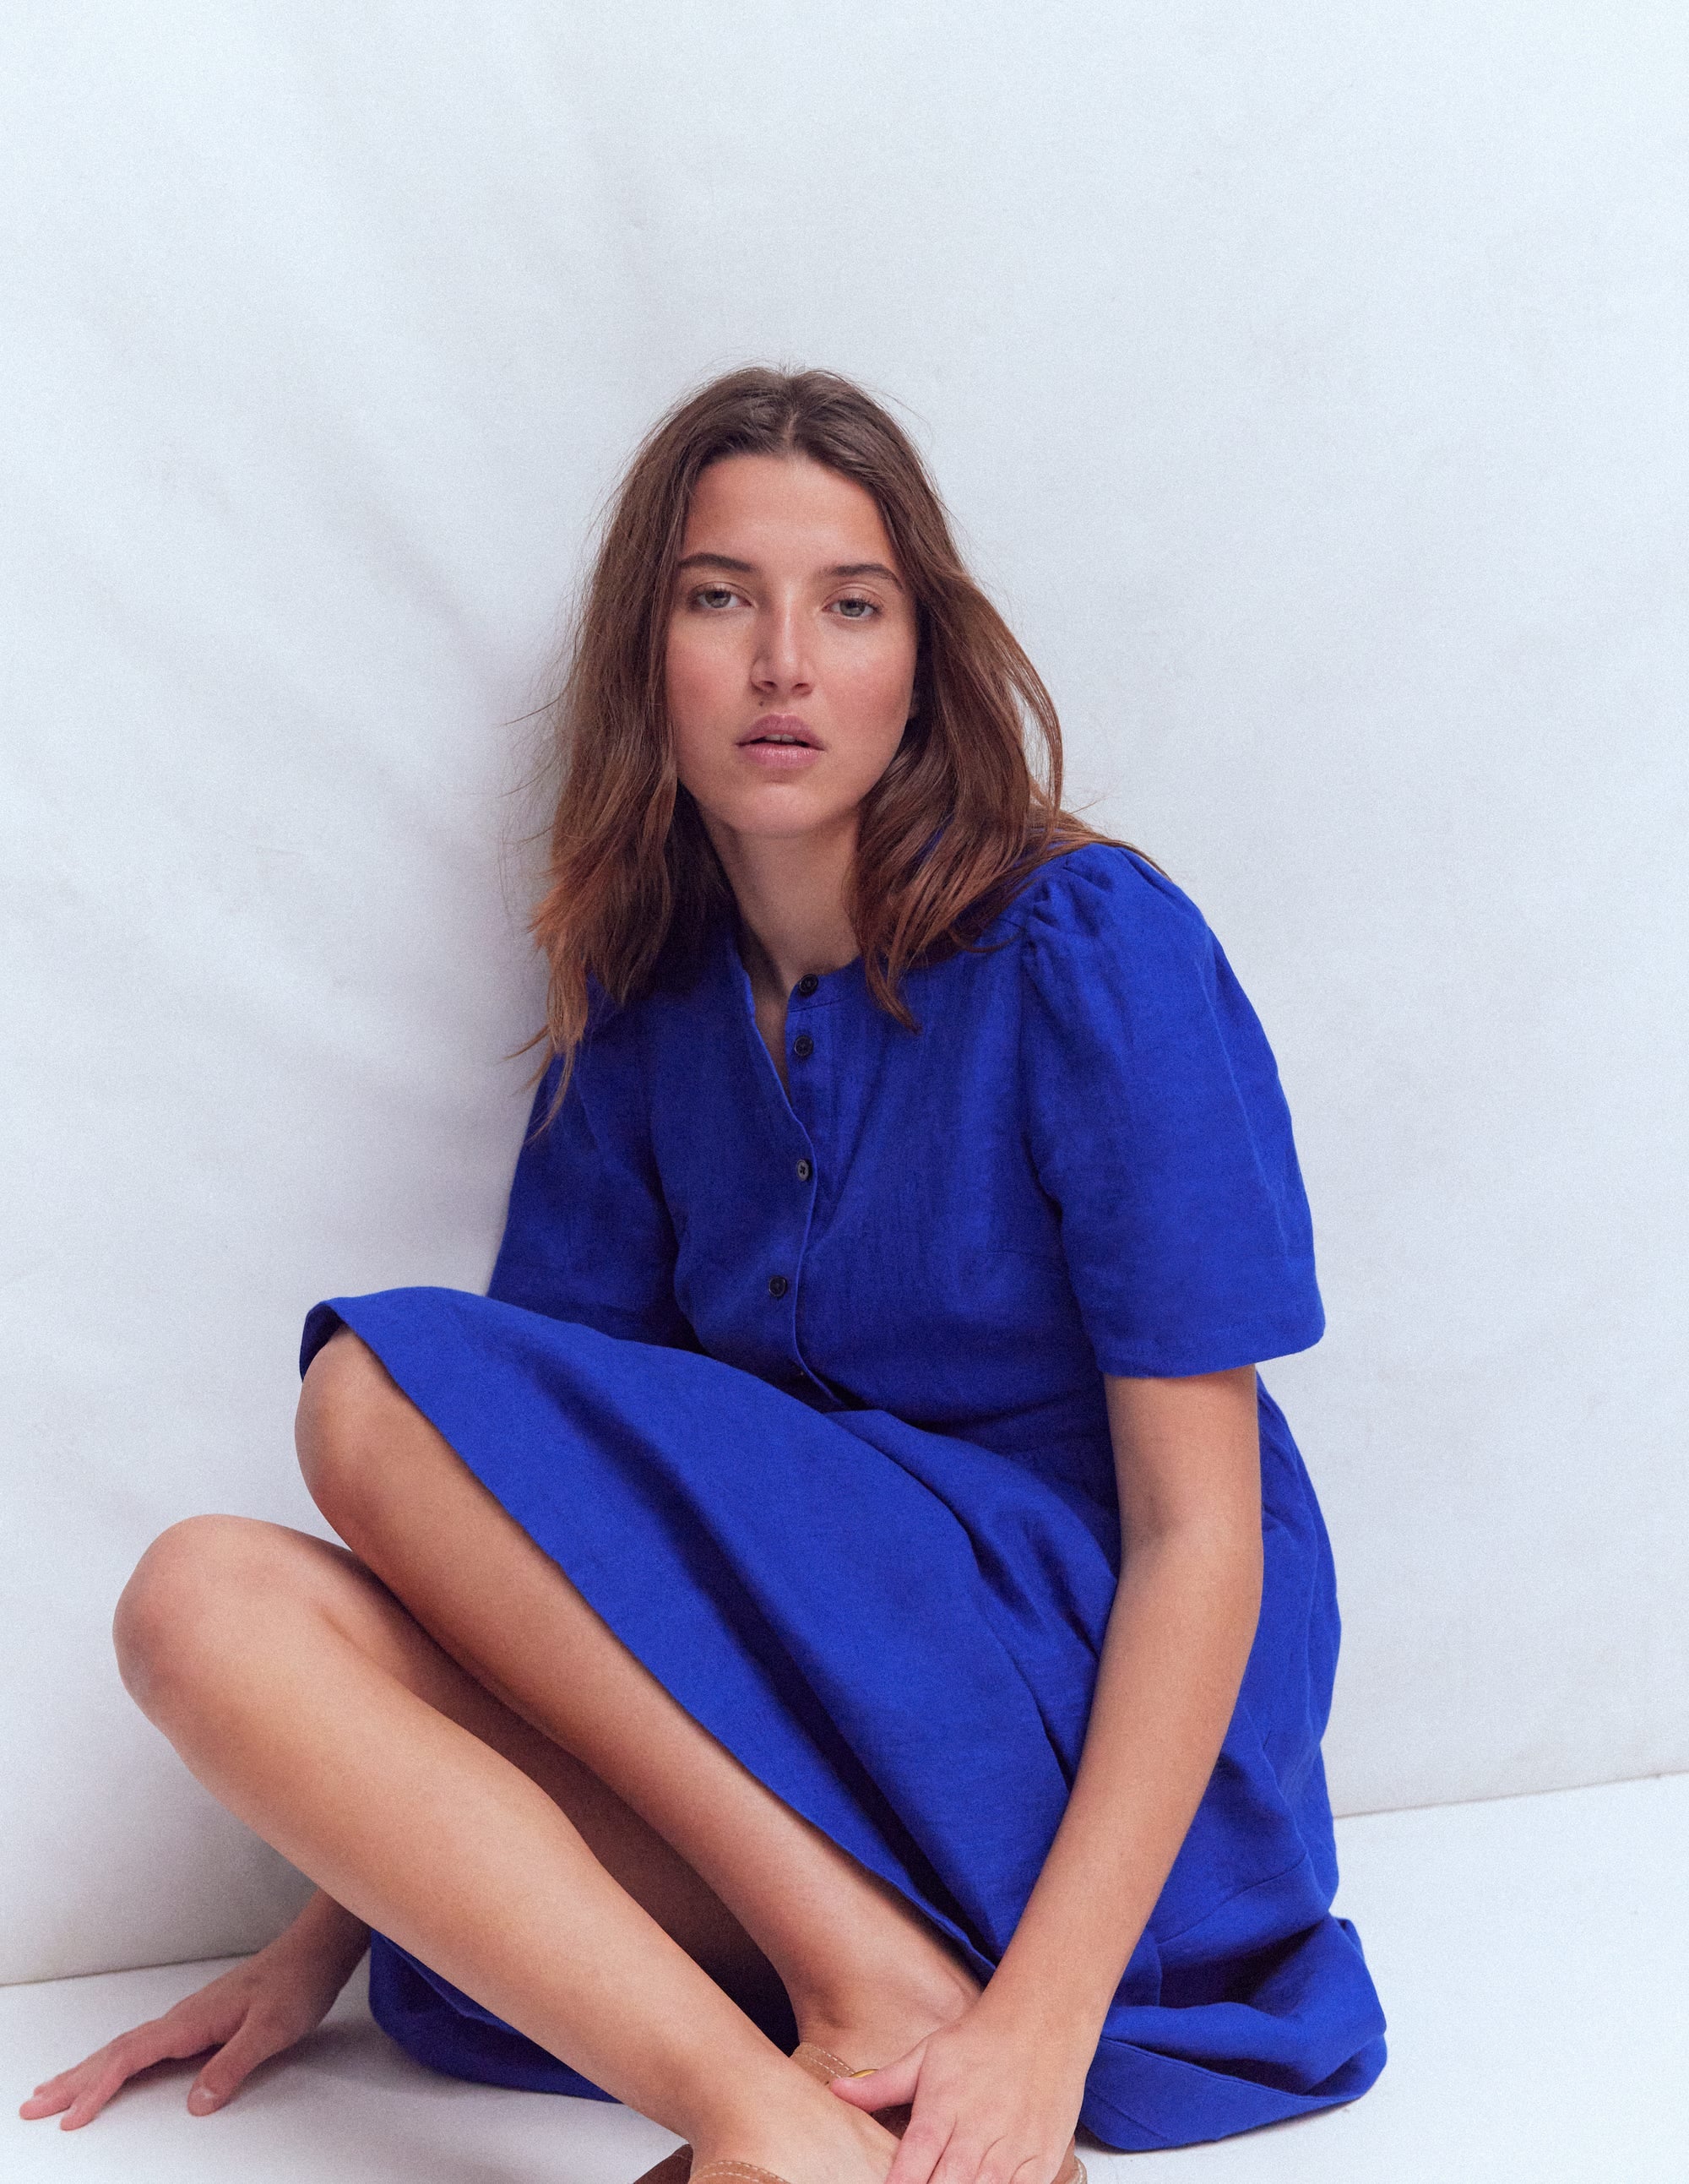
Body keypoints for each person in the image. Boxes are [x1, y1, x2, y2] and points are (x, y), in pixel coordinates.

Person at [20, 367, 1386, 2178]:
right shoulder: (649, 1010)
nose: (782, 665)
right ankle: (781, 2105)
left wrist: (1049, 2021)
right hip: (822, 1743)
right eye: (718, 597)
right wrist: (335, 1918)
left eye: (851, 604)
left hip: (1095, 1735)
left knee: (364, 1395)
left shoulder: (1089, 950)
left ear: (923, 659)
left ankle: (884, 1998)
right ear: (643, 653)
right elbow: (517, 1548)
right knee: (201, 1606)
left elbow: (1205, 1541)